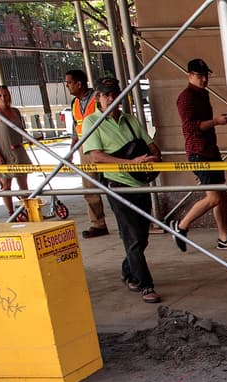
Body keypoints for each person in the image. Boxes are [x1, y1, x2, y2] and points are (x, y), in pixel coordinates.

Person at [82, 78, 164, 304]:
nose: (111, 98)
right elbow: (95, 155)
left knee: (142, 236)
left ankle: (129, 270)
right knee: (133, 237)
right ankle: (146, 284)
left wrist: (154, 159)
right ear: (98, 97)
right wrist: (130, 163)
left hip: (140, 184)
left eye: (114, 94)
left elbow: (151, 144)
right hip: (118, 185)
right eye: (106, 94)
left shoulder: (130, 120)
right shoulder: (91, 122)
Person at [168, 59, 227, 252]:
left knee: (221, 195)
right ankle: (181, 225)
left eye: (205, 75)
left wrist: (216, 121)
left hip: (211, 150)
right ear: (190, 75)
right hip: (199, 152)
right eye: (199, 75)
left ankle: (224, 237)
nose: (204, 79)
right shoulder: (186, 97)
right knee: (213, 197)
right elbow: (191, 127)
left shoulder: (203, 94)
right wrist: (216, 121)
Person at [64, 69, 108, 237]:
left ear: (78, 83)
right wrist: (72, 150)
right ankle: (98, 224)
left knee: (115, 181)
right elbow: (76, 129)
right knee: (89, 187)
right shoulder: (74, 104)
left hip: (103, 144)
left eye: (69, 82)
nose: (67, 86)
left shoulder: (97, 98)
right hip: (85, 147)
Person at [0, 86, 32, 220]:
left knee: (24, 184)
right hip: (3, 152)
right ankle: (12, 212)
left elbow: (22, 130)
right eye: (0, 95)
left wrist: (30, 138)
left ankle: (27, 210)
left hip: (18, 150)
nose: (3, 98)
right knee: (6, 185)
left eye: (5, 95)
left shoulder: (15, 111)